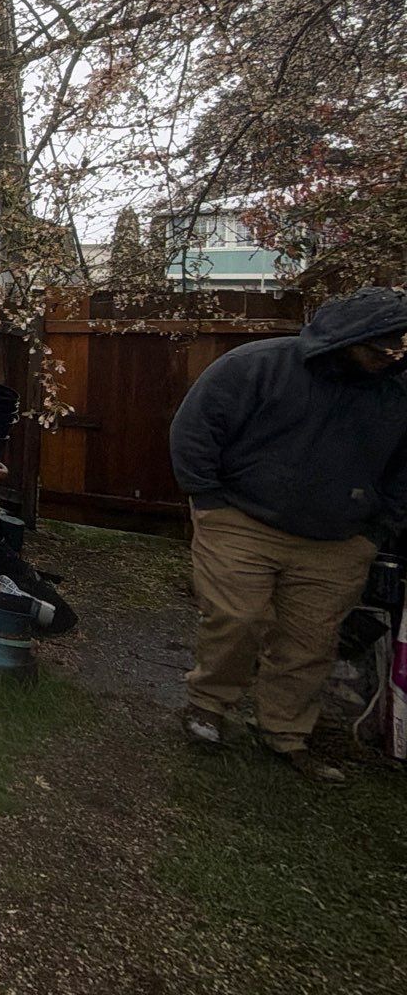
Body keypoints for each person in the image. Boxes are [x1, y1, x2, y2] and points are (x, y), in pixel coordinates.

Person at [169, 286, 407, 781]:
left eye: (397, 347)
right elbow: (194, 429)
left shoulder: (395, 396)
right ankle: (208, 706)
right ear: (346, 339)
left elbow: (403, 472)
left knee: (311, 640)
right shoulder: (258, 366)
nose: (390, 357)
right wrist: (207, 499)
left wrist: (377, 529)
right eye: (379, 348)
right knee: (237, 617)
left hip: (338, 540)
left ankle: (285, 732)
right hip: (241, 519)